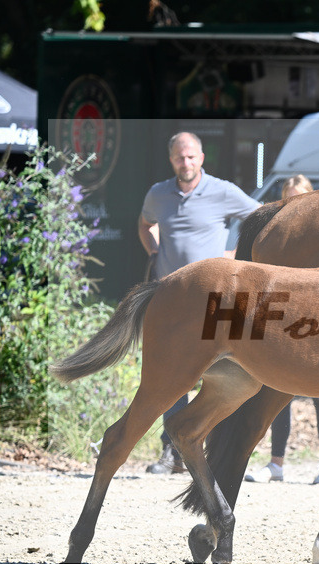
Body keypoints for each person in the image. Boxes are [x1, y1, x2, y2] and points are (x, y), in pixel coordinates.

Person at [139, 131, 261, 474]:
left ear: (202, 158)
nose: (186, 162)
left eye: (191, 156)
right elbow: (145, 224)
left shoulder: (221, 191)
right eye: (180, 157)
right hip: (170, 303)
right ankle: (172, 452)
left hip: (214, 303)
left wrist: (235, 257)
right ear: (171, 159)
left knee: (232, 375)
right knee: (170, 376)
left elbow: (259, 216)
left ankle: (226, 452)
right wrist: (153, 250)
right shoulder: (158, 194)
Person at [245, 175, 319, 486]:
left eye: (298, 199)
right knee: (276, 385)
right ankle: (276, 463)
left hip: (315, 315)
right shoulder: (279, 237)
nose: (291, 206)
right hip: (284, 316)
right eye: (287, 200)